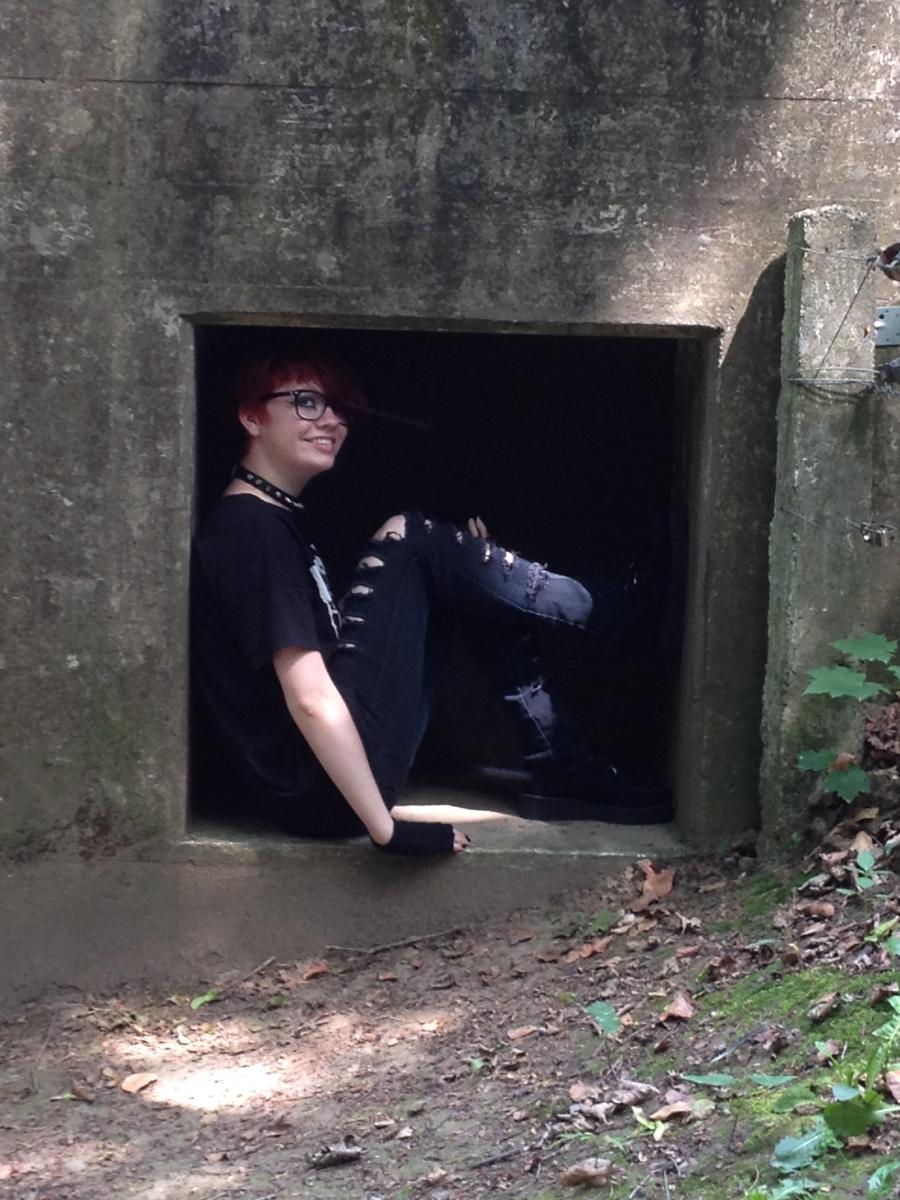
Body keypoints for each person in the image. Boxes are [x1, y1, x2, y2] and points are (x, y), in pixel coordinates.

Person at [190, 352, 672, 857]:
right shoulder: (251, 533)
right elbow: (308, 697)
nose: (331, 420)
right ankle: (619, 614)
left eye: (338, 408)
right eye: (306, 402)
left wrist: (466, 567)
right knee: (414, 539)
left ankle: (561, 762)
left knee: (451, 566)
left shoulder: (268, 523)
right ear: (251, 417)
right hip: (324, 791)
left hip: (322, 784)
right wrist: (386, 830)